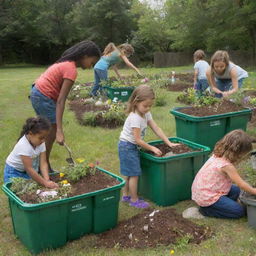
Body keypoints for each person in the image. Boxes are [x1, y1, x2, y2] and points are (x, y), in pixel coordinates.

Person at [30, 40, 101, 171]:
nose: (91, 66)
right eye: (92, 62)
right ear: (85, 55)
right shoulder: (71, 69)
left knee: (45, 130)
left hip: (38, 92)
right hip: (43, 96)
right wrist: (59, 132)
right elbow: (61, 101)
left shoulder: (66, 63)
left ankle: (41, 165)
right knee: (50, 132)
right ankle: (42, 166)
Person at [118, 84, 178, 208]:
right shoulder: (135, 118)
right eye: (145, 106)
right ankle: (134, 200)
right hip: (127, 147)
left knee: (128, 172)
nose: (148, 108)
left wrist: (168, 142)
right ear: (136, 102)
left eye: (150, 106)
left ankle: (125, 196)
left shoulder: (145, 113)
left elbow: (156, 127)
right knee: (134, 174)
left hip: (128, 146)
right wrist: (152, 148)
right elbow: (138, 140)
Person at [192, 129, 256, 219]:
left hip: (204, 191)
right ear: (238, 153)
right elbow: (241, 183)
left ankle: (223, 205)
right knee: (239, 211)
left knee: (236, 190)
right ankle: (206, 210)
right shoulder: (227, 166)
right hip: (207, 198)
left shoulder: (217, 155)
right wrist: (254, 191)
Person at [4, 117, 58, 188]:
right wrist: (45, 183)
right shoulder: (23, 146)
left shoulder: (40, 142)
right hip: (14, 172)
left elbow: (43, 163)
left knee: (30, 191)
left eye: (45, 137)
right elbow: (29, 169)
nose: (43, 141)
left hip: (27, 172)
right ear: (30, 134)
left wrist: (47, 180)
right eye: (41, 138)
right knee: (17, 193)